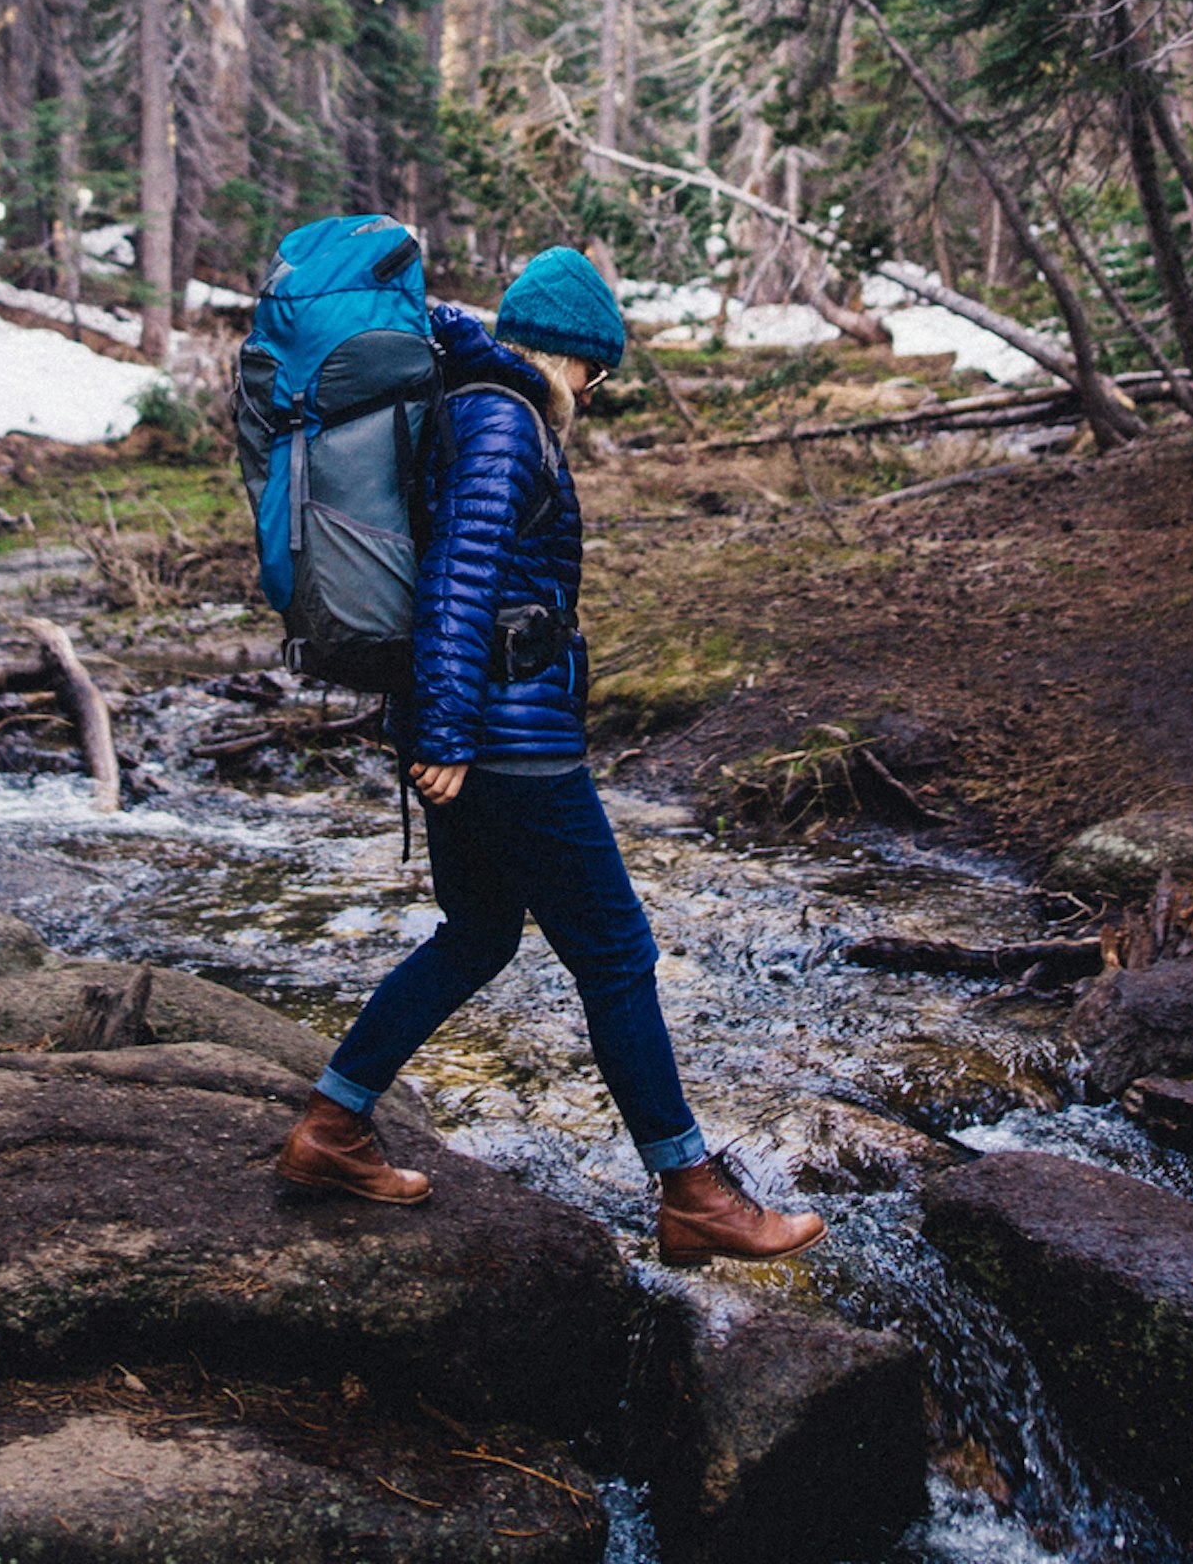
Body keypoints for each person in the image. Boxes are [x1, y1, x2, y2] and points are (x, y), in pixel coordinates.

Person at [275, 248, 825, 1266]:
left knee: (480, 933)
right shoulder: (502, 416)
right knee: (618, 955)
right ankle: (692, 1192)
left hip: (478, 728)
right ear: (572, 356)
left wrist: (438, 724)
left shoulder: (478, 403)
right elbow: (459, 572)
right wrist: (444, 732)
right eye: (595, 374)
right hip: (503, 739)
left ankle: (332, 1125)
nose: (591, 393)